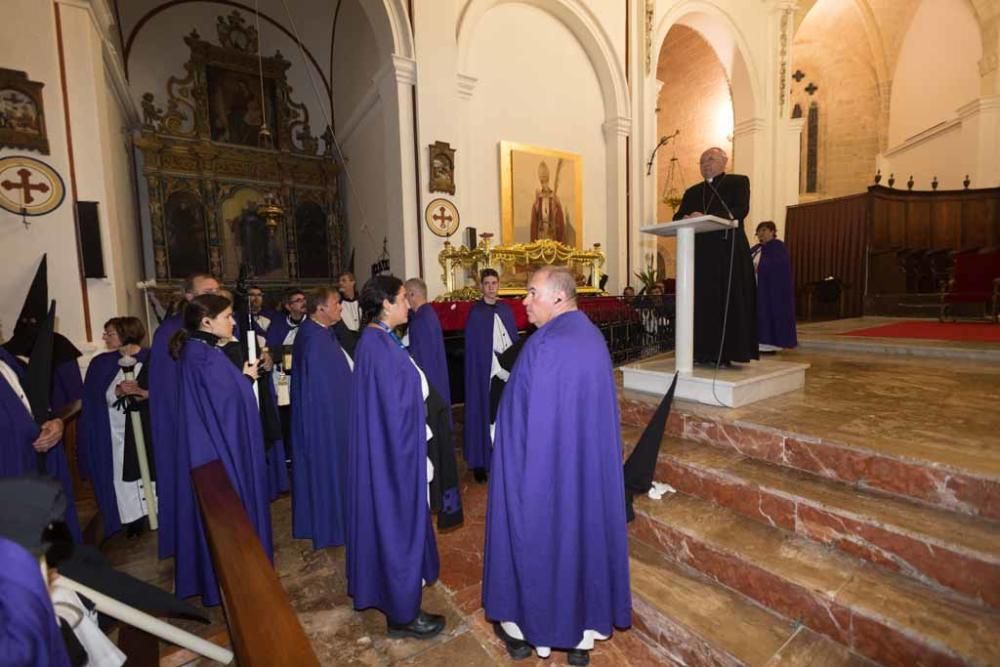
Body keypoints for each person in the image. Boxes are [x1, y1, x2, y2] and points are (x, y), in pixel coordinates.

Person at [483, 267, 630, 666]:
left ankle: (529, 629)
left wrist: (509, 468)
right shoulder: (591, 337)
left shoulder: (544, 345)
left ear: (559, 298)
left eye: (532, 293)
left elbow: (524, 426)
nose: (524, 302)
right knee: (580, 539)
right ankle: (581, 636)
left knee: (540, 541)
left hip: (543, 473)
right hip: (582, 473)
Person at [346, 275, 445, 640]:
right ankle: (404, 615)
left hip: (391, 449)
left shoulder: (380, 340)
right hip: (394, 455)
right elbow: (394, 409)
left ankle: (399, 603)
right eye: (403, 298)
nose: (408, 304)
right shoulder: (377, 346)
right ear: (386, 303)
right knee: (397, 524)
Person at [169, 294, 272, 606]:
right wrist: (246, 378)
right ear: (207, 322)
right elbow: (227, 403)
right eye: (228, 316)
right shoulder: (204, 356)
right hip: (219, 451)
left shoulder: (199, 350)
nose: (233, 321)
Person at [148, 272, 219, 560]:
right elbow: (168, 392)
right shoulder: (170, 333)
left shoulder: (219, 325)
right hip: (187, 426)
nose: (214, 294)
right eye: (206, 290)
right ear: (189, 297)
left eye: (217, 289)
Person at [672, 147, 757, 366]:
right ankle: (702, 352)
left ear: (724, 161)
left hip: (727, 252)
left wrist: (707, 216)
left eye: (710, 159)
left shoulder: (738, 182)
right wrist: (688, 216)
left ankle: (728, 352)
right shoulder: (693, 191)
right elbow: (677, 216)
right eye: (701, 162)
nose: (706, 164)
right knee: (702, 303)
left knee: (727, 300)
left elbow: (739, 210)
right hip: (699, 255)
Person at [78, 317, 154, 541]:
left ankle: (154, 511)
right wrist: (117, 393)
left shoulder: (151, 358)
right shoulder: (101, 363)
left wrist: (142, 392)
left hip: (145, 427)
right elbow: (94, 397)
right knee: (122, 474)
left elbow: (164, 391)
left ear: (127, 333)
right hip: (115, 430)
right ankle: (132, 519)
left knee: (148, 469)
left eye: (109, 333)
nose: (104, 337)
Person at [290, 287, 353, 549]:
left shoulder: (319, 331)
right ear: (321, 309)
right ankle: (334, 526)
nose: (340, 307)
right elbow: (323, 392)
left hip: (332, 417)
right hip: (326, 424)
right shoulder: (315, 340)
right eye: (336, 303)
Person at [463, 269, 518, 483]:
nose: (491, 287)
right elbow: (479, 349)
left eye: (494, 283)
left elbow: (512, 341)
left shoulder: (505, 310)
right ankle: (481, 461)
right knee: (486, 414)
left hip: (507, 371)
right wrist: (499, 370)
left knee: (504, 415)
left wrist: (511, 368)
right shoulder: (477, 314)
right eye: (487, 283)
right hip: (489, 373)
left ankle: (503, 458)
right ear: (481, 286)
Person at [404, 278, 451, 420]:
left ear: (412, 295)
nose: (404, 301)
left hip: (430, 382)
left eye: (405, 296)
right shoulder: (428, 313)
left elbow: (420, 359)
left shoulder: (420, 321)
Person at [751, 221, 798, 353]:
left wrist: (758, 268)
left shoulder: (777, 248)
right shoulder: (755, 249)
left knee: (768, 314)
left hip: (770, 290)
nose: (761, 234)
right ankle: (756, 342)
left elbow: (777, 268)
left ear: (772, 231)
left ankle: (770, 344)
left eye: (764, 230)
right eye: (758, 231)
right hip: (755, 288)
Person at [530, 160, 567, 243]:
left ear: (548, 180)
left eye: (545, 181)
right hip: (541, 232)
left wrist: (556, 208)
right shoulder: (538, 198)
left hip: (551, 232)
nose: (544, 184)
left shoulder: (554, 197)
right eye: (542, 182)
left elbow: (559, 216)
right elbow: (535, 217)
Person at [335, 271, 362, 355]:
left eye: (344, 280)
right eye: (339, 281)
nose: (340, 283)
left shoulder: (362, 302)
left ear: (352, 282)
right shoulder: (336, 304)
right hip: (344, 344)